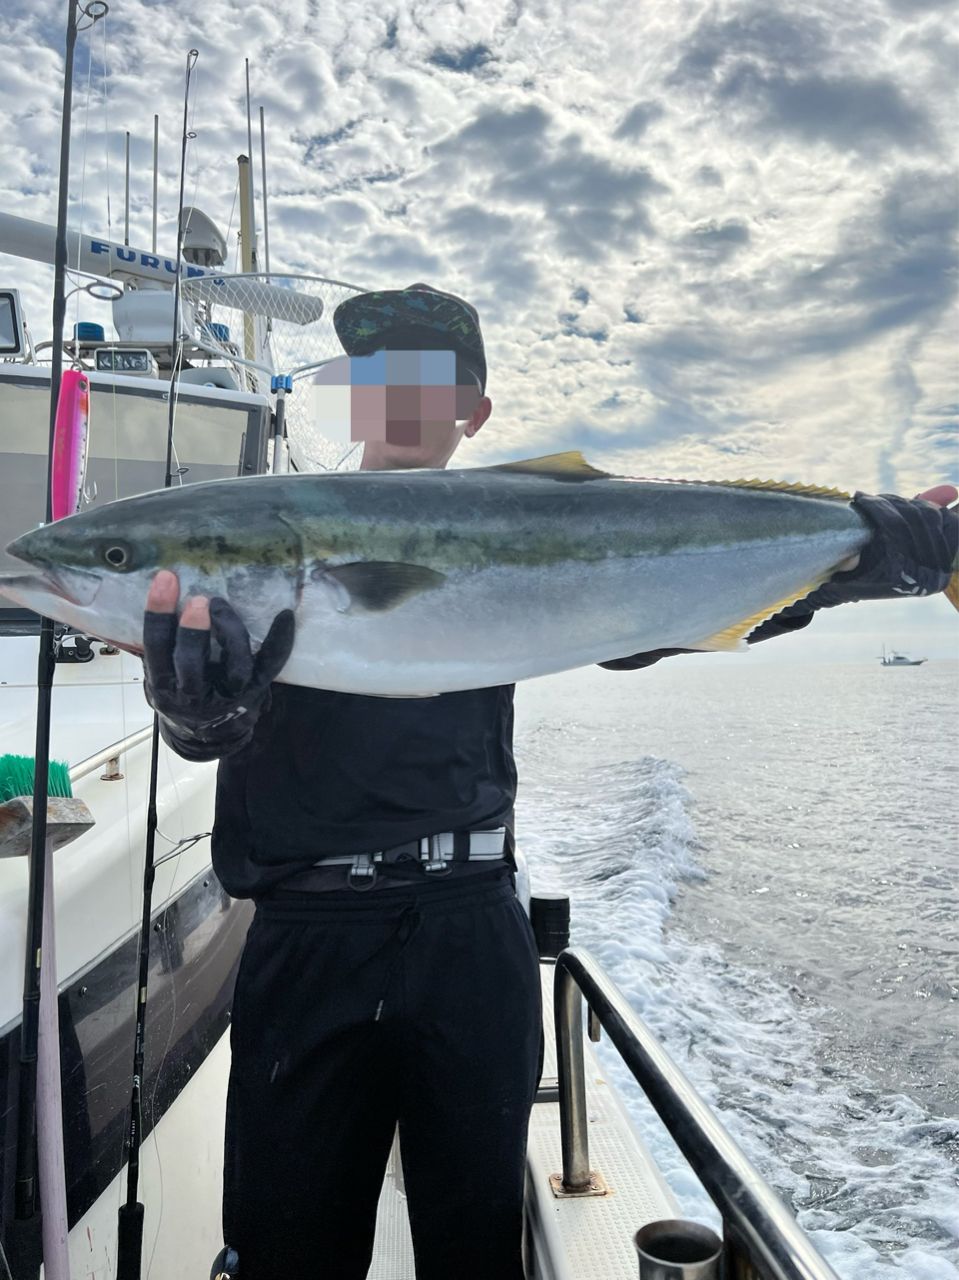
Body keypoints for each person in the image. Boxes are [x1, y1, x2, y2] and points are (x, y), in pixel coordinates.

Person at [140, 284, 958, 1280]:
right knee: (286, 1251)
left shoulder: (522, 520)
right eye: (374, 377)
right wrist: (196, 706)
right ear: (350, 399)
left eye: (425, 379)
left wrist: (869, 559)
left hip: (468, 931)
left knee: (475, 1247)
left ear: (471, 411)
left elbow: (660, 601)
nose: (397, 397)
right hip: (306, 940)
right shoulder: (266, 531)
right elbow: (212, 731)